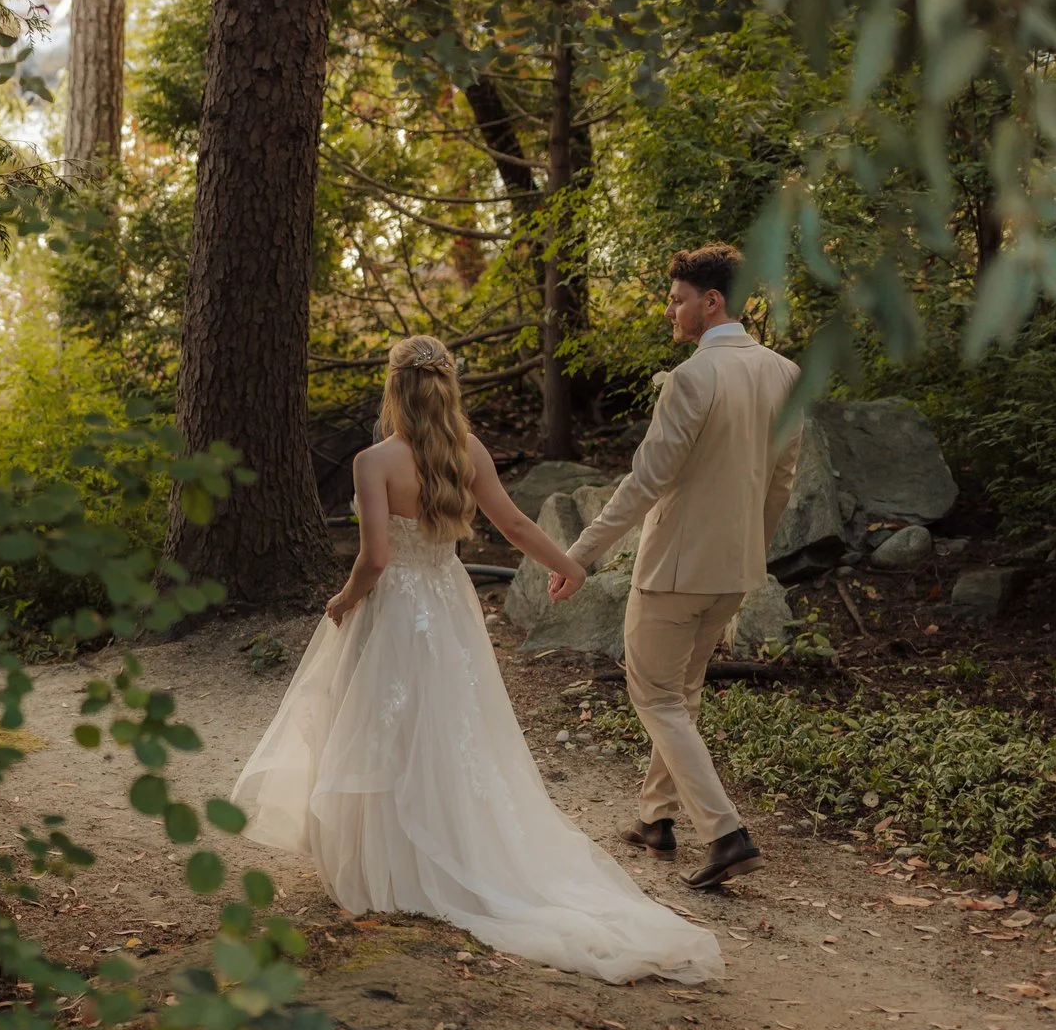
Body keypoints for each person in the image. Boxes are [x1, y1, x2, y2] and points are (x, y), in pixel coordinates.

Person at [226, 335, 724, 986]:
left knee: (378, 724)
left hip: (394, 607)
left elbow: (375, 560)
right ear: (447, 388)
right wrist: (569, 564)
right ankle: (447, 845)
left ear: (395, 389)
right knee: (451, 728)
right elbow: (514, 525)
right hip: (446, 601)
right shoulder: (470, 451)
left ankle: (391, 862)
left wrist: (342, 600)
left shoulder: (374, 461)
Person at [551, 243, 801, 890]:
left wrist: (577, 555)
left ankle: (725, 833)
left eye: (678, 298)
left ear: (710, 302)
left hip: (674, 569)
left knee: (656, 694)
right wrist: (752, 549)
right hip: (736, 568)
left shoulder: (694, 378)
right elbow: (782, 482)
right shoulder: (785, 374)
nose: (671, 309)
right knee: (681, 695)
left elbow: (644, 483)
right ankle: (656, 818)